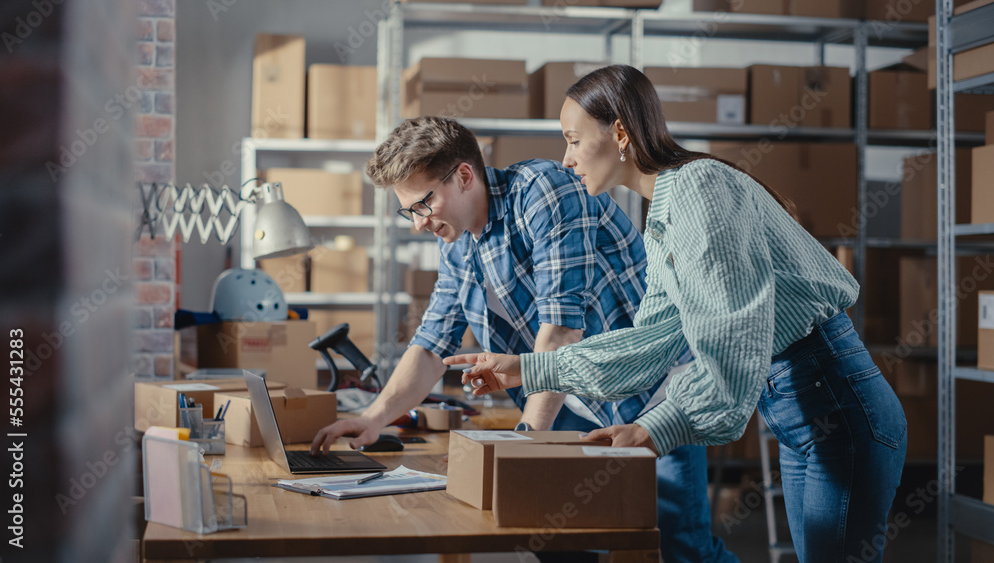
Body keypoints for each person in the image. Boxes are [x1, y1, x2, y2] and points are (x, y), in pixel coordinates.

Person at [448, 65, 907, 563]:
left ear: (619, 132)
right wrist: (528, 368)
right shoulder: (664, 215)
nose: (567, 158)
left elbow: (731, 353)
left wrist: (652, 430)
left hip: (836, 400)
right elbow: (649, 344)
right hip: (799, 410)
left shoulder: (699, 189)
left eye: (573, 140)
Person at [310, 116, 739, 563]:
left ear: (463, 176)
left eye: (423, 204)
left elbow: (561, 330)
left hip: (651, 393)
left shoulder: (542, 191)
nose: (418, 223)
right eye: (409, 211)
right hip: (568, 401)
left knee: (678, 546)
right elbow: (435, 340)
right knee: (553, 537)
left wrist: (518, 448)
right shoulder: (457, 242)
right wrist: (376, 418)